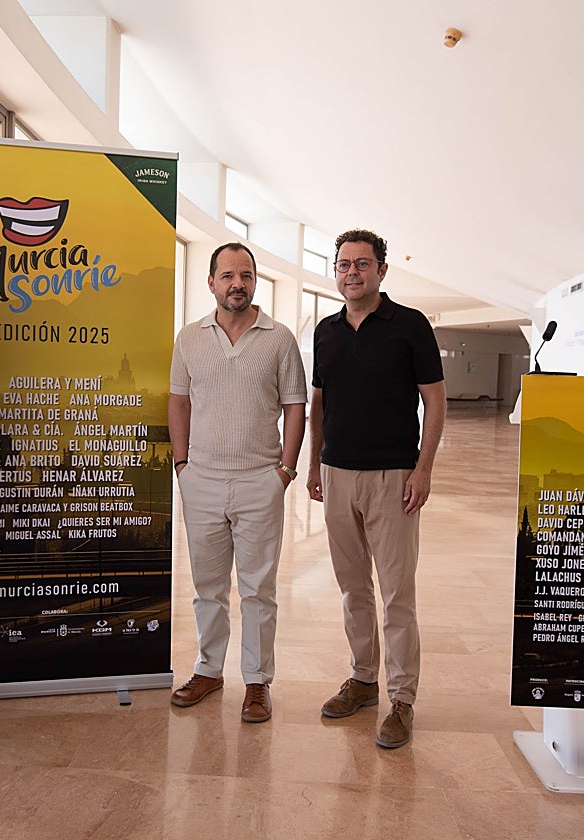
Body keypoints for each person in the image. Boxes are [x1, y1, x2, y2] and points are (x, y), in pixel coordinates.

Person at [306, 228, 446, 749]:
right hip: (337, 475)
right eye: (343, 264)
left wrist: (423, 469)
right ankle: (363, 680)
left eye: (362, 264)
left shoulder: (410, 325)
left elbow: (435, 401)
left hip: (393, 477)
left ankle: (402, 699)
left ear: (381, 270)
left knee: (396, 593)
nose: (352, 273)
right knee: (352, 589)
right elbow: (319, 404)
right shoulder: (326, 331)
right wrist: (315, 465)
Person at [168, 242, 307, 723]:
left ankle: (257, 681)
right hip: (201, 480)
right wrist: (182, 466)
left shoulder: (279, 338)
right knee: (207, 587)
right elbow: (179, 402)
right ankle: (208, 670)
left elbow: (295, 407)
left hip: (259, 481)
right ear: (211, 282)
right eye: (227, 275)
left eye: (245, 275)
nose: (237, 284)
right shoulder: (189, 338)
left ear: (254, 282)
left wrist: (284, 472)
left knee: (258, 590)